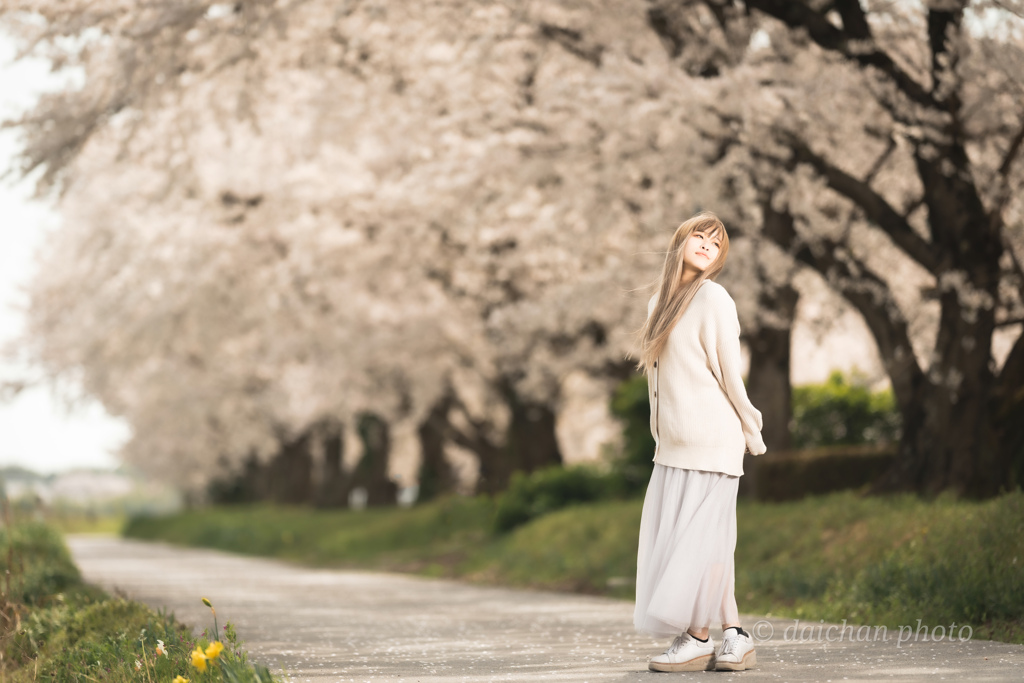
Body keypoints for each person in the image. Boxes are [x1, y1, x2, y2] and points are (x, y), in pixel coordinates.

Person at [632, 211, 766, 673]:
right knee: (702, 542)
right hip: (673, 443)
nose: (708, 243)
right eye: (700, 235)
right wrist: (659, 436)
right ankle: (736, 635)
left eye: (717, 241)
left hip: (713, 439)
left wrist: (750, 426)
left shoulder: (715, 299)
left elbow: (730, 372)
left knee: (703, 541)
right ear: (681, 240)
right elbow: (657, 383)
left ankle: (697, 637)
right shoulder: (658, 304)